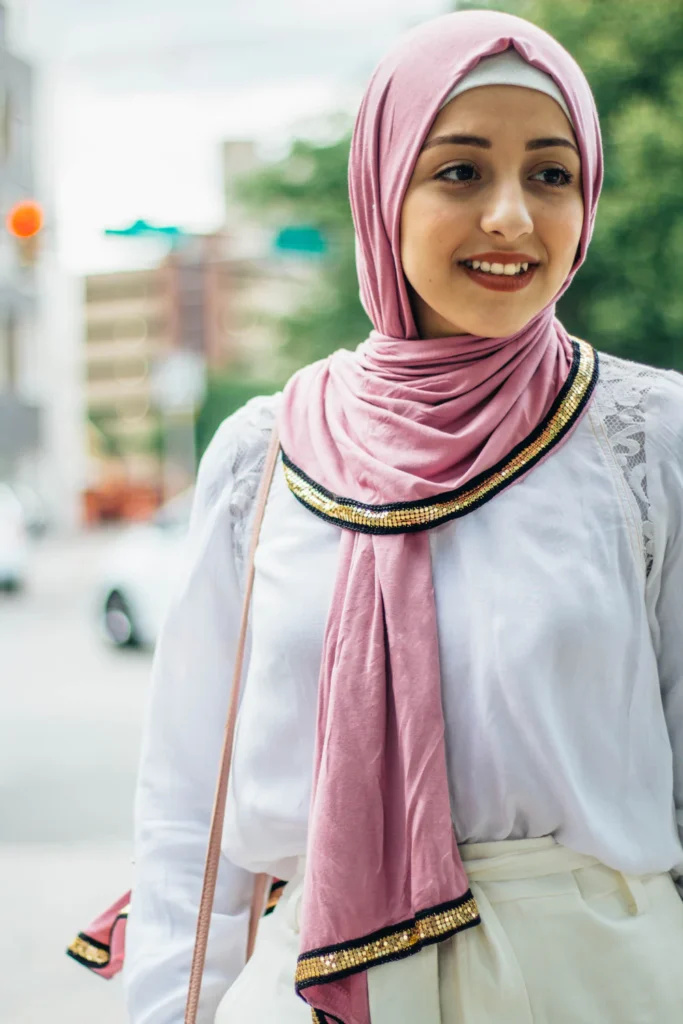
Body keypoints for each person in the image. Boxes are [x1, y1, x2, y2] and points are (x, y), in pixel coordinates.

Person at [124, 9, 683, 1024]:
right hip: (318, 980)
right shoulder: (266, 452)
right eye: (459, 172)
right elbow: (188, 817)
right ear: (383, 191)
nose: (512, 216)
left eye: (549, 174)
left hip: (594, 983)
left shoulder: (645, 437)